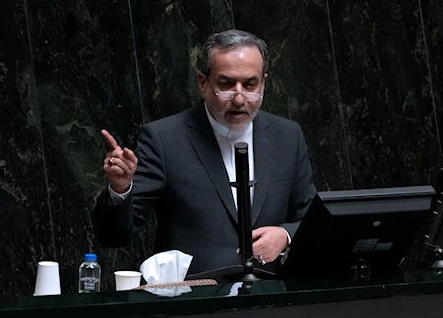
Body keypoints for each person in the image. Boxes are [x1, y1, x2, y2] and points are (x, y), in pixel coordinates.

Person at [92, 29, 316, 275]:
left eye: (250, 85)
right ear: (203, 83)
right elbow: (114, 236)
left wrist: (285, 235)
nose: (239, 98)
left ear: (264, 83)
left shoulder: (287, 136)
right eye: (227, 84)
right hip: (195, 301)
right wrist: (121, 189)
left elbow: (311, 218)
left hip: (272, 298)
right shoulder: (165, 139)